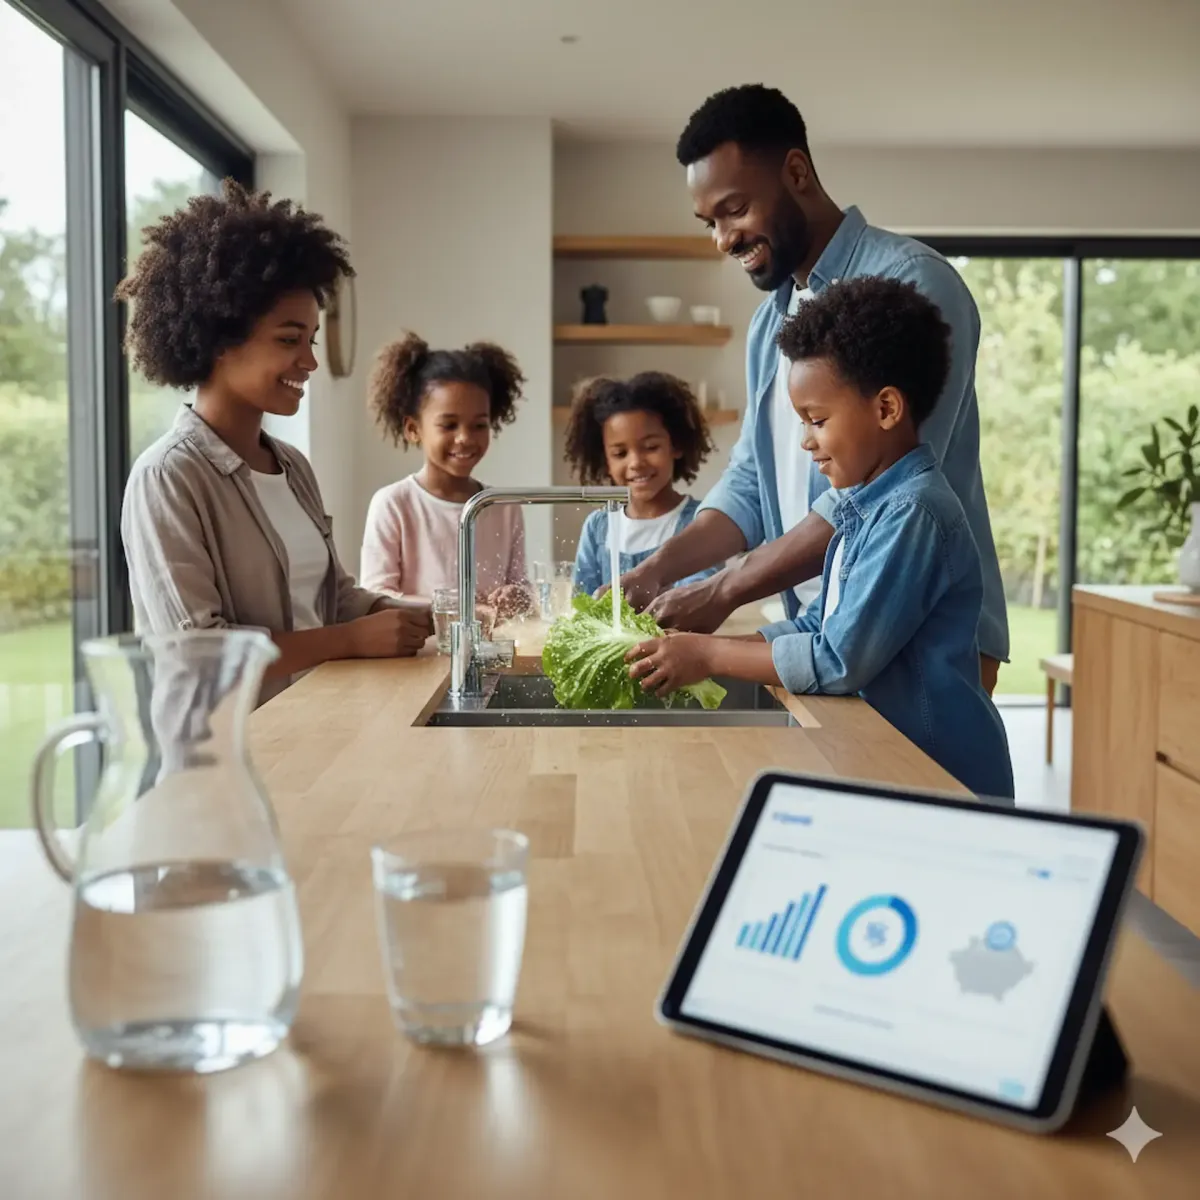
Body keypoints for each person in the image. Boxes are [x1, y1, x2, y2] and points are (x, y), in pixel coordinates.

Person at [619, 84, 1009, 694]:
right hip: (819, 628)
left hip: (918, 636)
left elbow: (875, 494)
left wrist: (723, 590)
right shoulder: (768, 325)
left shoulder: (915, 285)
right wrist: (653, 571)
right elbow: (750, 481)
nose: (723, 239)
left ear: (796, 172)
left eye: (735, 209)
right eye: (711, 222)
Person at [626, 278, 1014, 800]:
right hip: (895, 762)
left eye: (818, 420)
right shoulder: (866, 503)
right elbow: (820, 622)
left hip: (941, 774)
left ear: (886, 409)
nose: (807, 441)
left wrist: (710, 657)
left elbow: (837, 659)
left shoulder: (912, 512)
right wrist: (696, 647)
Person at [119, 181, 432, 703]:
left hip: (314, 731)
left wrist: (397, 612)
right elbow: (200, 655)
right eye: (289, 340)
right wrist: (349, 639)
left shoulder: (291, 466)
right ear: (218, 338)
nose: (308, 362)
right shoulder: (168, 477)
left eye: (309, 340)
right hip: (229, 761)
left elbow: (332, 596)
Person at [359, 332, 533, 619]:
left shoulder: (503, 506)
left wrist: (517, 597)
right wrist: (461, 608)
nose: (464, 438)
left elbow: (520, 586)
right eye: (449, 425)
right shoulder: (393, 503)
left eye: (478, 425)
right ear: (414, 429)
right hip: (415, 657)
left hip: (488, 653)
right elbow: (377, 596)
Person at [564, 371, 718, 596]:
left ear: (676, 445)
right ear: (604, 459)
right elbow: (582, 603)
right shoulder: (597, 527)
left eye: (651, 447)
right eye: (620, 453)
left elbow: (699, 598)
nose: (635, 462)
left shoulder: (702, 521)